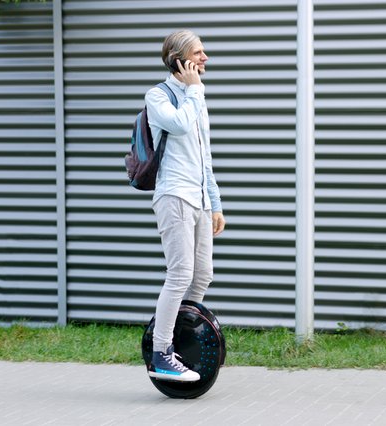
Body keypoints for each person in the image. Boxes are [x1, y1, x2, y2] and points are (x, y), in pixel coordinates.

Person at [145, 30, 225, 382]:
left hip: (199, 199)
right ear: (180, 59)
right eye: (198, 52)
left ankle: (181, 337)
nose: (205, 58)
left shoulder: (197, 98)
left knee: (202, 273)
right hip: (174, 195)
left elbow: (204, 157)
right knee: (179, 274)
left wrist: (216, 204)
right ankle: (162, 354)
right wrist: (194, 91)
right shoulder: (158, 96)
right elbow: (178, 126)